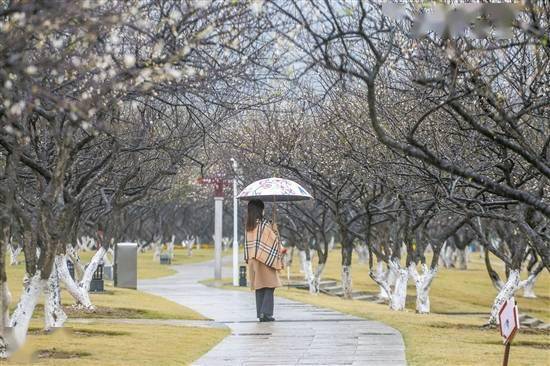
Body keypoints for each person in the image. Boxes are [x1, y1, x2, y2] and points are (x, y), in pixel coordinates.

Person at [244, 199, 283, 322]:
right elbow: (273, 241)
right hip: (264, 259)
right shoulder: (264, 224)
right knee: (270, 285)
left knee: (259, 286)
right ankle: (266, 314)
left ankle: (261, 313)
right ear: (260, 210)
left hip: (253, 260)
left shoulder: (249, 225)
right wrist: (275, 230)